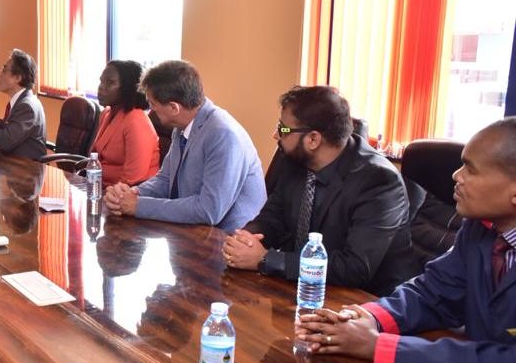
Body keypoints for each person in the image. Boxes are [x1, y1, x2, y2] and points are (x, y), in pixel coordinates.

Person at [296, 118, 516, 363]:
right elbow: (433, 293)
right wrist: (369, 318)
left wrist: (378, 346)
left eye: (470, 170)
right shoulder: (480, 228)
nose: (456, 176)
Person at [224, 85, 415, 296]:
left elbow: (354, 267)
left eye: (283, 129)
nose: (275, 135)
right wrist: (246, 240)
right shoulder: (295, 160)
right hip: (297, 287)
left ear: (313, 139)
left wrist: (265, 259)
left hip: (360, 301)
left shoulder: (379, 181)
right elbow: (272, 218)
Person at [103, 60, 265, 232]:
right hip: (193, 230)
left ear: (174, 108)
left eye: (153, 105)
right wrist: (132, 194)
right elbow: (165, 180)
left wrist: (138, 206)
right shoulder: (182, 125)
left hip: (228, 237)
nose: (151, 111)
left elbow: (208, 211)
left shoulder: (223, 135)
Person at [91, 60, 160, 185]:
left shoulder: (136, 121)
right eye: (101, 81)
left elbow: (133, 177)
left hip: (130, 191)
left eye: (110, 82)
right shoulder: (106, 113)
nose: (101, 87)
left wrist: (108, 192)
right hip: (100, 185)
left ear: (127, 87)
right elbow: (96, 156)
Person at [0, 49, 47, 161]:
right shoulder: (21, 101)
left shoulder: (27, 106)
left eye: (4, 69)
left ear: (18, 78)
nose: (0, 74)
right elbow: (10, 130)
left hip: (26, 168)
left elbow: (6, 141)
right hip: (13, 162)